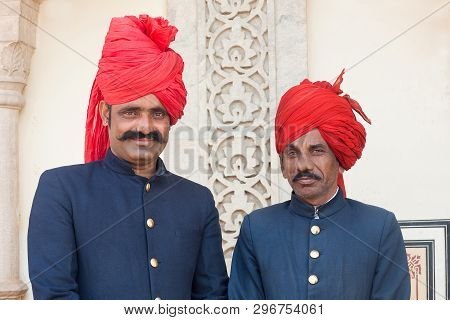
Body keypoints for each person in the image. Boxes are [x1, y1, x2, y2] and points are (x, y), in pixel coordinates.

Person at [28, 14, 228, 300]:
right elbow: (56, 300)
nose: (145, 127)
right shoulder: (61, 189)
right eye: (130, 112)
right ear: (106, 114)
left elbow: (212, 301)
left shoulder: (198, 200)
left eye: (157, 114)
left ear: (170, 118)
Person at [228, 70, 410, 299]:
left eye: (317, 151)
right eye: (292, 153)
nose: (303, 165)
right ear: (283, 165)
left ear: (341, 160)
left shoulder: (379, 227)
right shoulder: (257, 227)